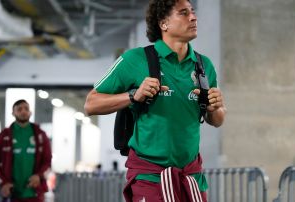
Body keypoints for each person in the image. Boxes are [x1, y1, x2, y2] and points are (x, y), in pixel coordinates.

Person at [84, 0, 226, 201]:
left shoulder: (204, 66)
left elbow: (217, 120)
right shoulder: (135, 59)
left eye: (192, 12)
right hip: (150, 176)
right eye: (183, 13)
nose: (193, 17)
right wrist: (133, 95)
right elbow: (91, 103)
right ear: (164, 23)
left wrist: (216, 107)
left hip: (191, 175)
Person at [0, 99, 52, 202]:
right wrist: (3, 183)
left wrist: (39, 176)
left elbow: (48, 162)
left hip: (35, 194)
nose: (23, 111)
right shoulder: (4, 135)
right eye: (19, 109)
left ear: (30, 112)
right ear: (13, 113)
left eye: (26, 109)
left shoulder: (40, 135)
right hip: (12, 195)